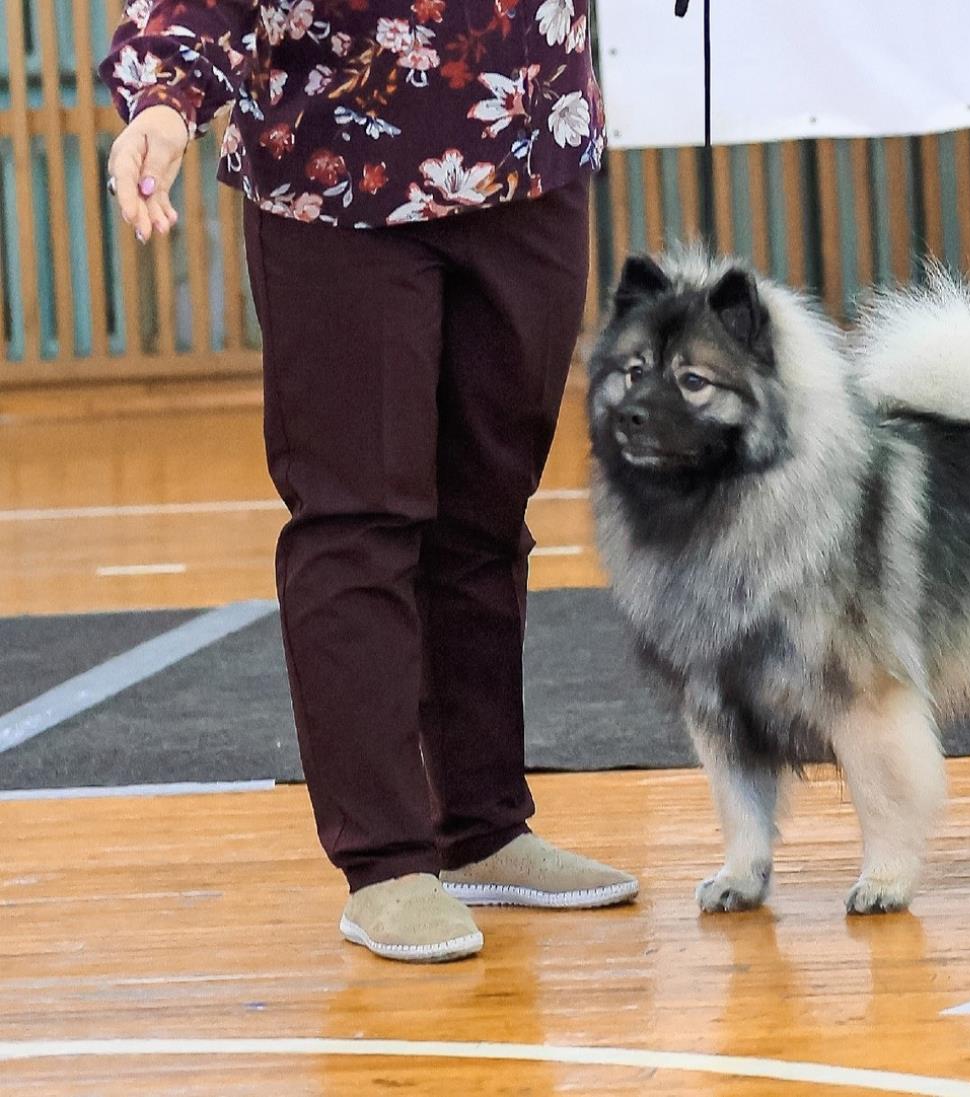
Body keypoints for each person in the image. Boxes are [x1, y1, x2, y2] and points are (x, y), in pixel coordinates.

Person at [100, 0, 637, 963]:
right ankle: (386, 861)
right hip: (338, 162)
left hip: (529, 135)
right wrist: (166, 98)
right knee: (358, 514)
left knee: (489, 504)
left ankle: (481, 826)